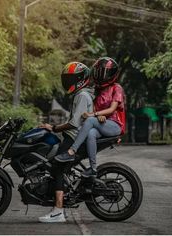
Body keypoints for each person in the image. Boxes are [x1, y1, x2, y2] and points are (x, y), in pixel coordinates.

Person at [38, 62, 94, 223]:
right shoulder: (80, 94)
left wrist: (54, 128)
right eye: (66, 79)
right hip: (72, 137)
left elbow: (74, 123)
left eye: (70, 78)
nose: (68, 82)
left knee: (57, 167)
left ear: (80, 79)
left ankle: (58, 211)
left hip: (74, 138)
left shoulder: (82, 95)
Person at [55, 57, 126, 178]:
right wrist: (99, 116)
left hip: (115, 124)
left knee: (90, 120)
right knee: (91, 133)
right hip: (103, 123)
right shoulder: (97, 90)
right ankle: (93, 168)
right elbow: (94, 109)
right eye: (98, 72)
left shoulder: (116, 88)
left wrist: (94, 115)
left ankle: (72, 151)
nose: (101, 75)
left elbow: (112, 109)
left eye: (104, 73)